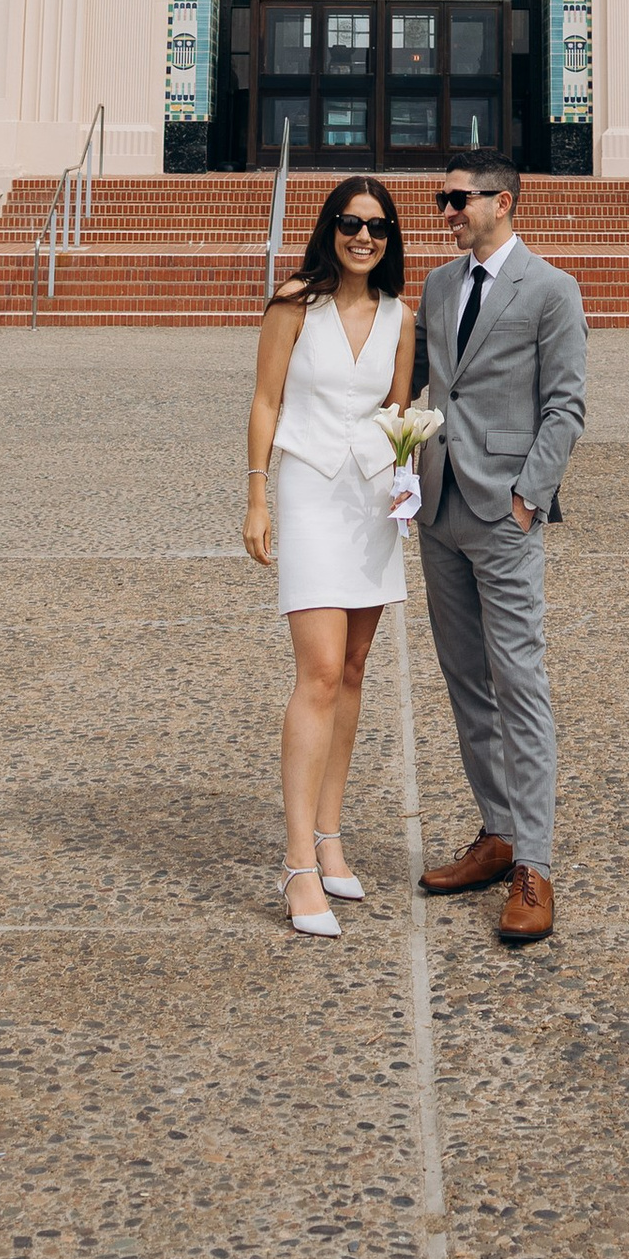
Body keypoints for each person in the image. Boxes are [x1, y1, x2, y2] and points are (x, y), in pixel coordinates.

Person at [411, 156, 586, 946]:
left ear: (501, 202)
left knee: (519, 681)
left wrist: (527, 500)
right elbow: (415, 382)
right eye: (442, 199)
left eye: (458, 199)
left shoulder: (551, 289)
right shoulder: (438, 286)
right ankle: (498, 830)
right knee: (465, 681)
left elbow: (566, 406)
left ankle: (535, 866)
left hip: (504, 514)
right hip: (439, 508)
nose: (447, 211)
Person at [243, 171, 412, 940]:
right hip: (309, 489)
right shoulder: (292, 303)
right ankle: (296, 864)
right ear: (330, 228)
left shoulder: (400, 316)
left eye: (376, 226)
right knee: (316, 671)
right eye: (350, 223)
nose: (363, 237)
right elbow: (266, 400)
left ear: (389, 238)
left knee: (353, 670)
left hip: (371, 500)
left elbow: (399, 413)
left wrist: (406, 490)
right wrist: (257, 497)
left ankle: (330, 836)